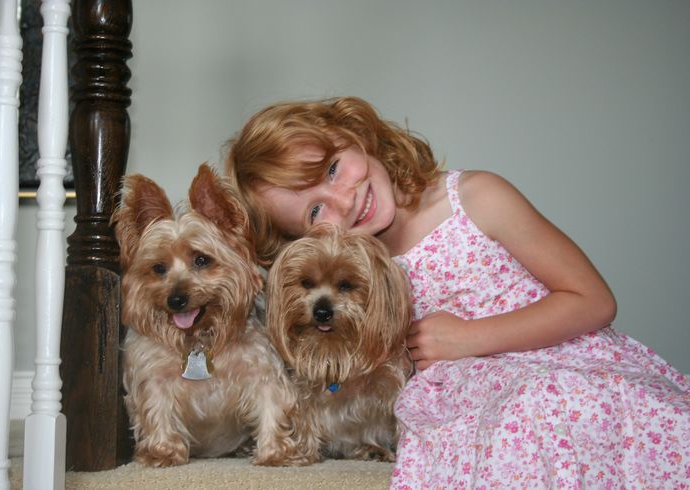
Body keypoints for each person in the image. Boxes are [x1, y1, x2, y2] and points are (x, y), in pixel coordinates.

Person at [225, 96, 690, 488]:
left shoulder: (475, 197)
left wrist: (468, 339)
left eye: (331, 169)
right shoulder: (351, 267)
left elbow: (595, 300)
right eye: (314, 213)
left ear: (354, 134)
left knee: (545, 407)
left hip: (561, 359)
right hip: (466, 396)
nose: (345, 200)